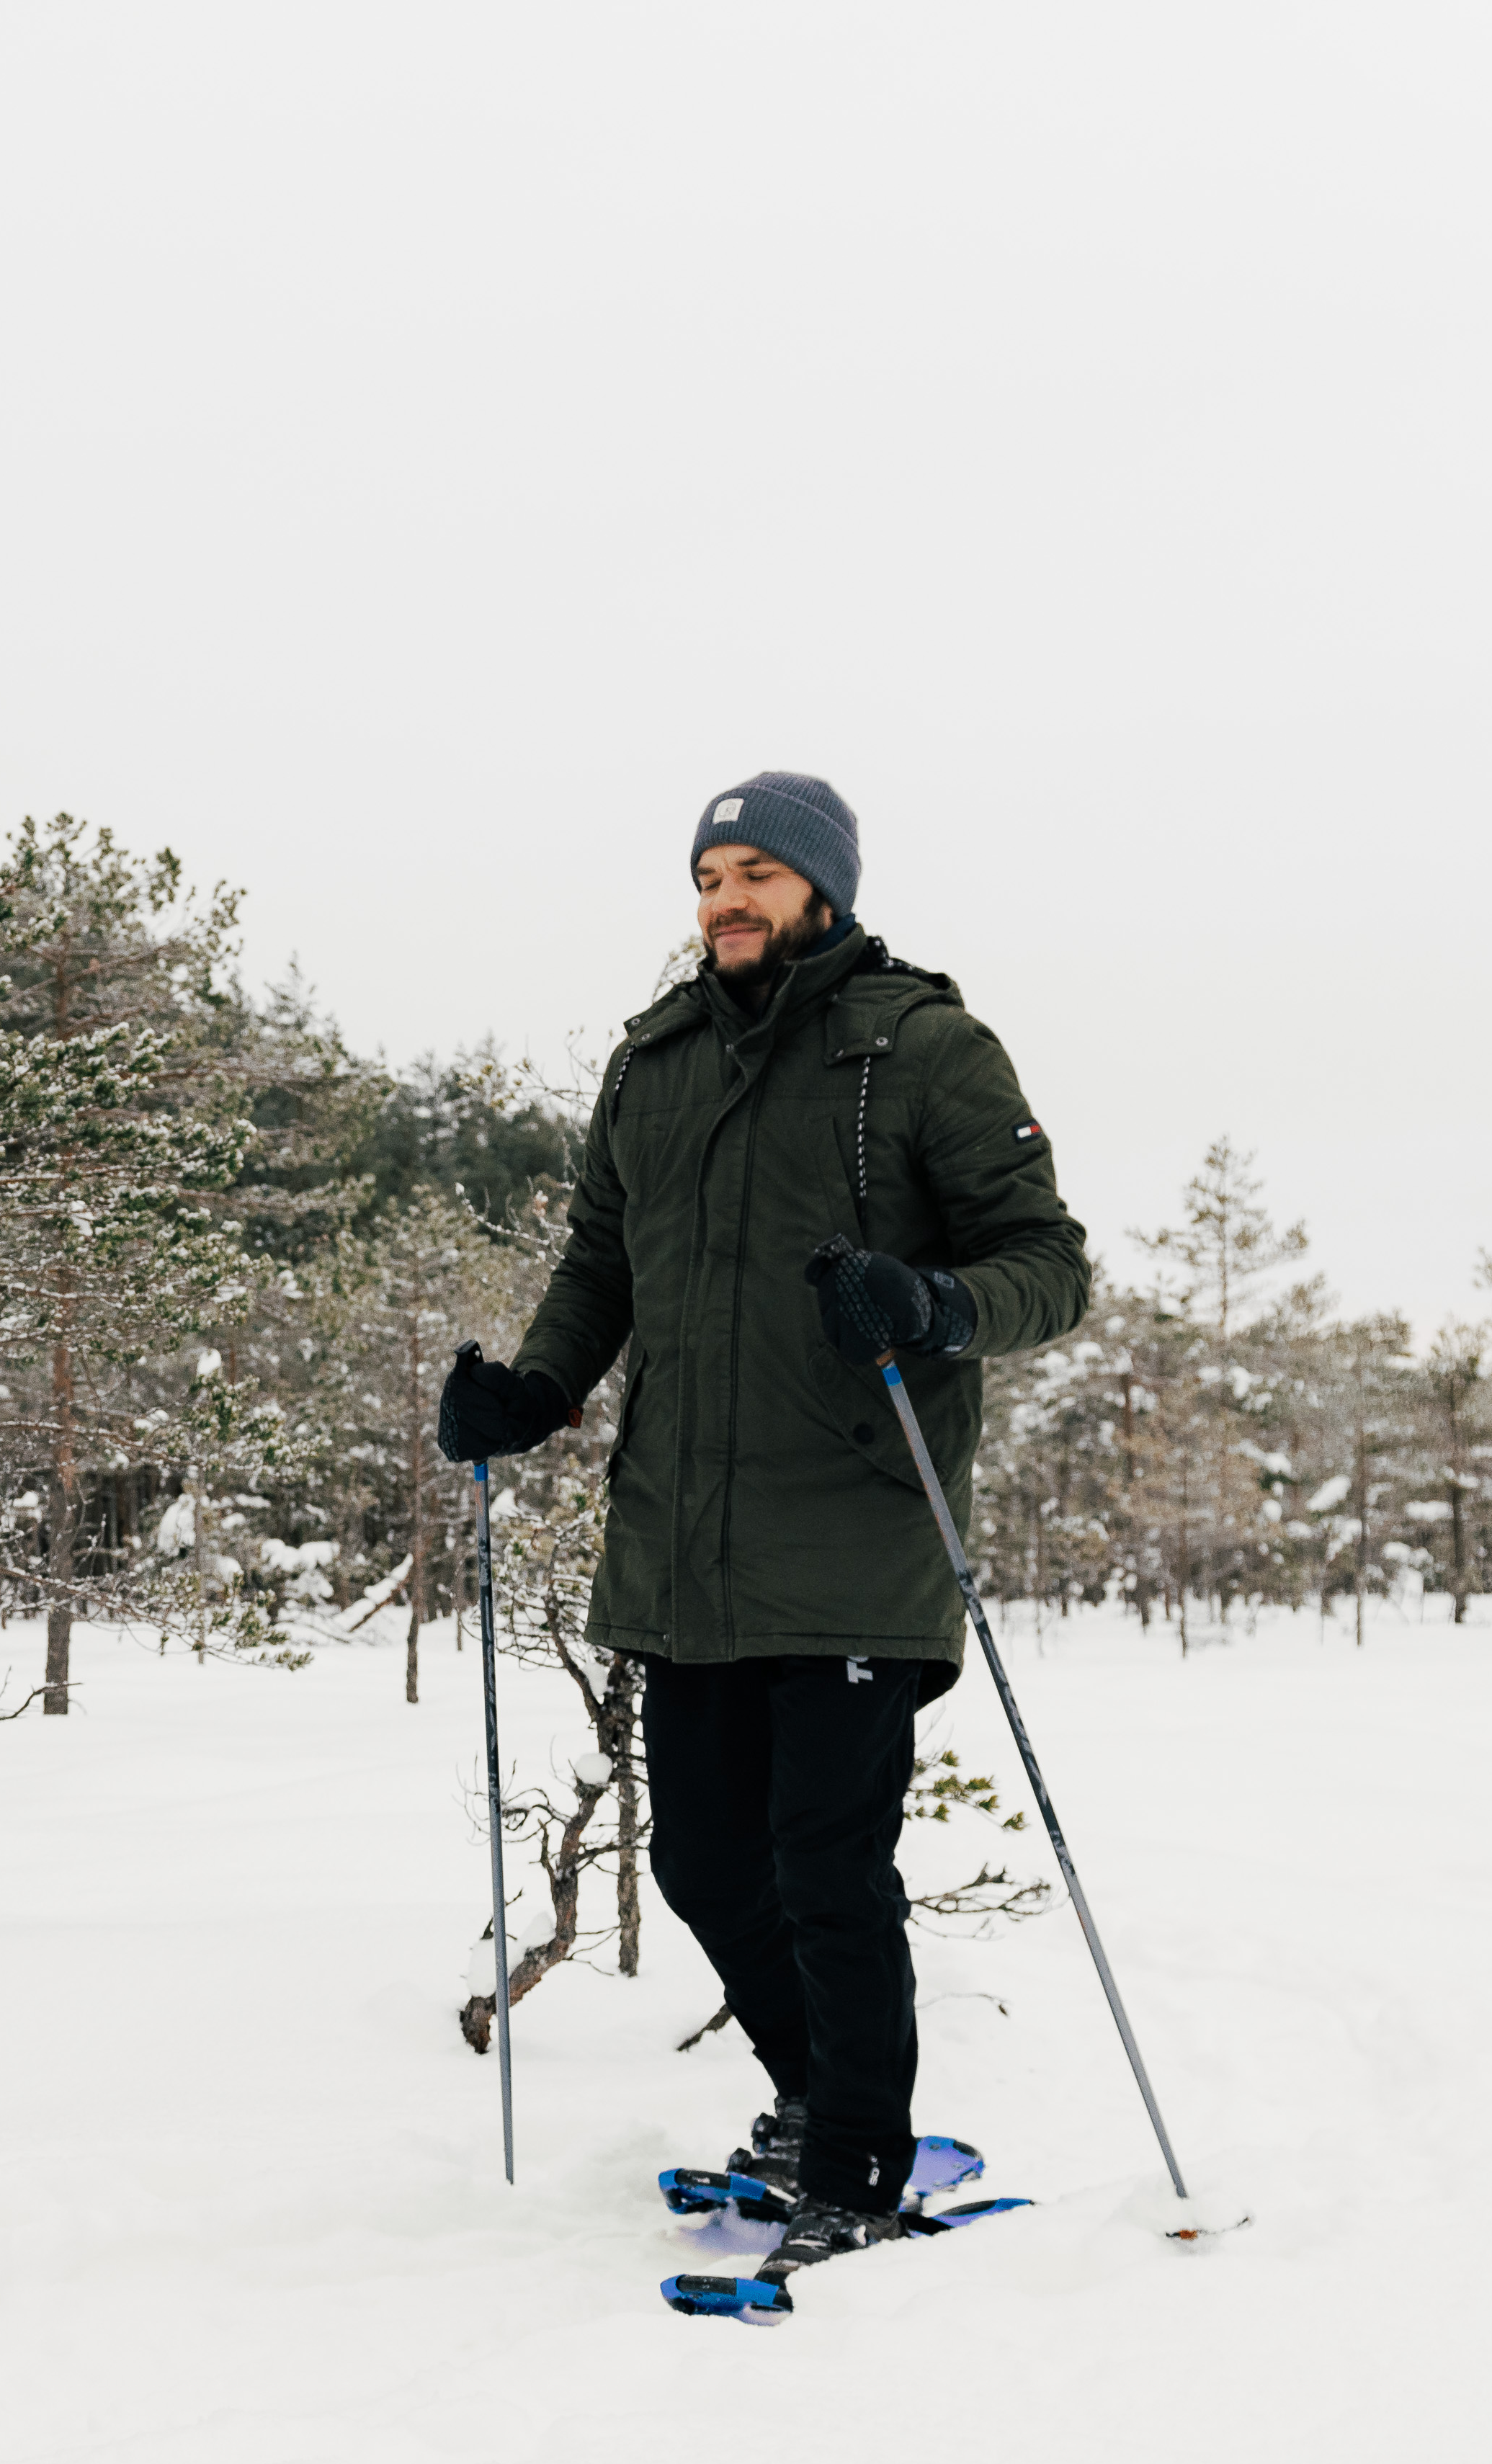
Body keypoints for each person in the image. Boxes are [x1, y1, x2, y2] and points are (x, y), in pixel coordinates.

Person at [436, 772, 1089, 2277]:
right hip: (682, 1538)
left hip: (858, 1529)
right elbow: (603, 1254)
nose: (724, 899)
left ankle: (855, 2160)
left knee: (823, 1862)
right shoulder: (653, 1060)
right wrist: (535, 1387)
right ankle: (809, 2098)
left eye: (756, 873)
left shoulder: (918, 1047)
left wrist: (930, 1301)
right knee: (703, 1865)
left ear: (821, 888)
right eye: (708, 873)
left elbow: (1045, 1264)